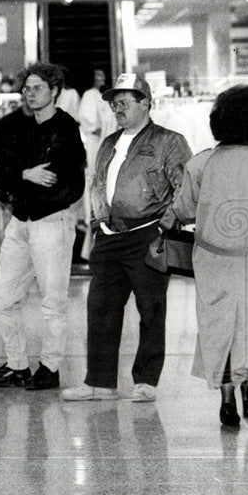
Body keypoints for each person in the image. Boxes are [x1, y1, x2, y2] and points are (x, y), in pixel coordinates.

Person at [164, 85, 248, 426]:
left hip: (214, 259)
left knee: (217, 326)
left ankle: (226, 396)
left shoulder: (202, 163)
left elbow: (181, 210)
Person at [62, 73, 192, 403]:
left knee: (151, 307)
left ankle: (146, 380)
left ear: (146, 103)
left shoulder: (169, 141)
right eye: (114, 103)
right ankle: (99, 382)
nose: (117, 108)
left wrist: (165, 225)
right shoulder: (108, 143)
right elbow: (95, 185)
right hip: (109, 237)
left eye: (124, 102)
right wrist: (97, 223)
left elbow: (185, 188)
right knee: (100, 307)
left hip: (148, 234)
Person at [0, 63, 85, 390]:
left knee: (53, 301)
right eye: (27, 87)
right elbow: (1, 173)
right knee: (2, 298)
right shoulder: (19, 127)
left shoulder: (66, 129)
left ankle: (50, 368)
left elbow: (64, 183)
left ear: (55, 90)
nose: (29, 92)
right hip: (20, 222)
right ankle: (17, 365)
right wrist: (24, 175)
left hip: (52, 223)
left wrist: (15, 185)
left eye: (37, 87)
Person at [76, 69, 118, 259]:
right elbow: (88, 122)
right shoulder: (89, 95)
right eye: (98, 75)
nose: (102, 78)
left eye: (103, 75)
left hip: (104, 144)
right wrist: (97, 128)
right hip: (95, 145)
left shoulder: (102, 96)